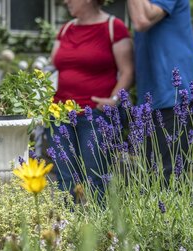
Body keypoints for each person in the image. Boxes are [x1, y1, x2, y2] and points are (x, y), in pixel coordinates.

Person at [48, 0, 134, 199]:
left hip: (95, 116)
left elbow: (127, 71)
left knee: (97, 178)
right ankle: (67, 227)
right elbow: (53, 65)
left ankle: (98, 228)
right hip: (59, 115)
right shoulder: (66, 29)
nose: (66, 1)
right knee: (64, 177)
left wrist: (113, 100)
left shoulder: (114, 27)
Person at [127, 0, 193, 181]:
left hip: (174, 94)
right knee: (149, 178)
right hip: (151, 96)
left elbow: (141, 20)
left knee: (168, 178)